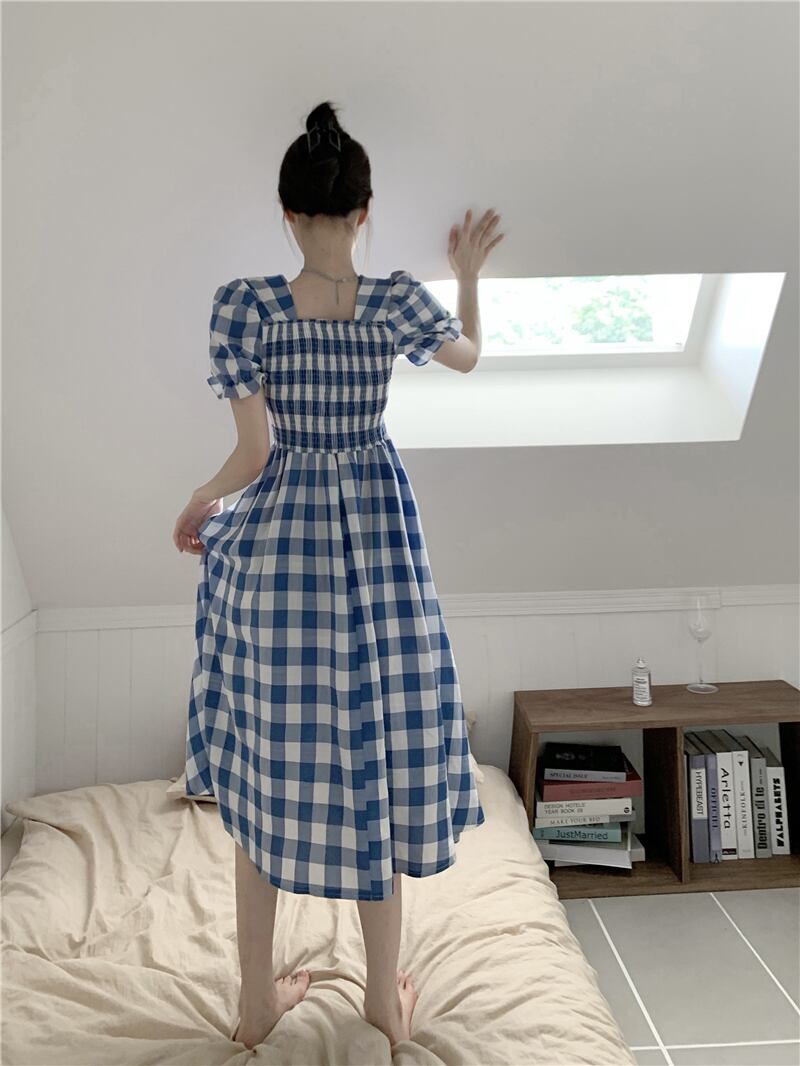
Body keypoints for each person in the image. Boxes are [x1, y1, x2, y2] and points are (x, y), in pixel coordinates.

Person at [172, 100, 504, 1052]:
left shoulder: (246, 307)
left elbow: (250, 456)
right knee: (379, 753)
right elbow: (470, 358)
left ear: (287, 214)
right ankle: (382, 1002)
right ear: (365, 212)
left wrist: (198, 501)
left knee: (268, 765)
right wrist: (467, 278)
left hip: (282, 552)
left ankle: (255, 1003)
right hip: (377, 548)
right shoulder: (395, 300)